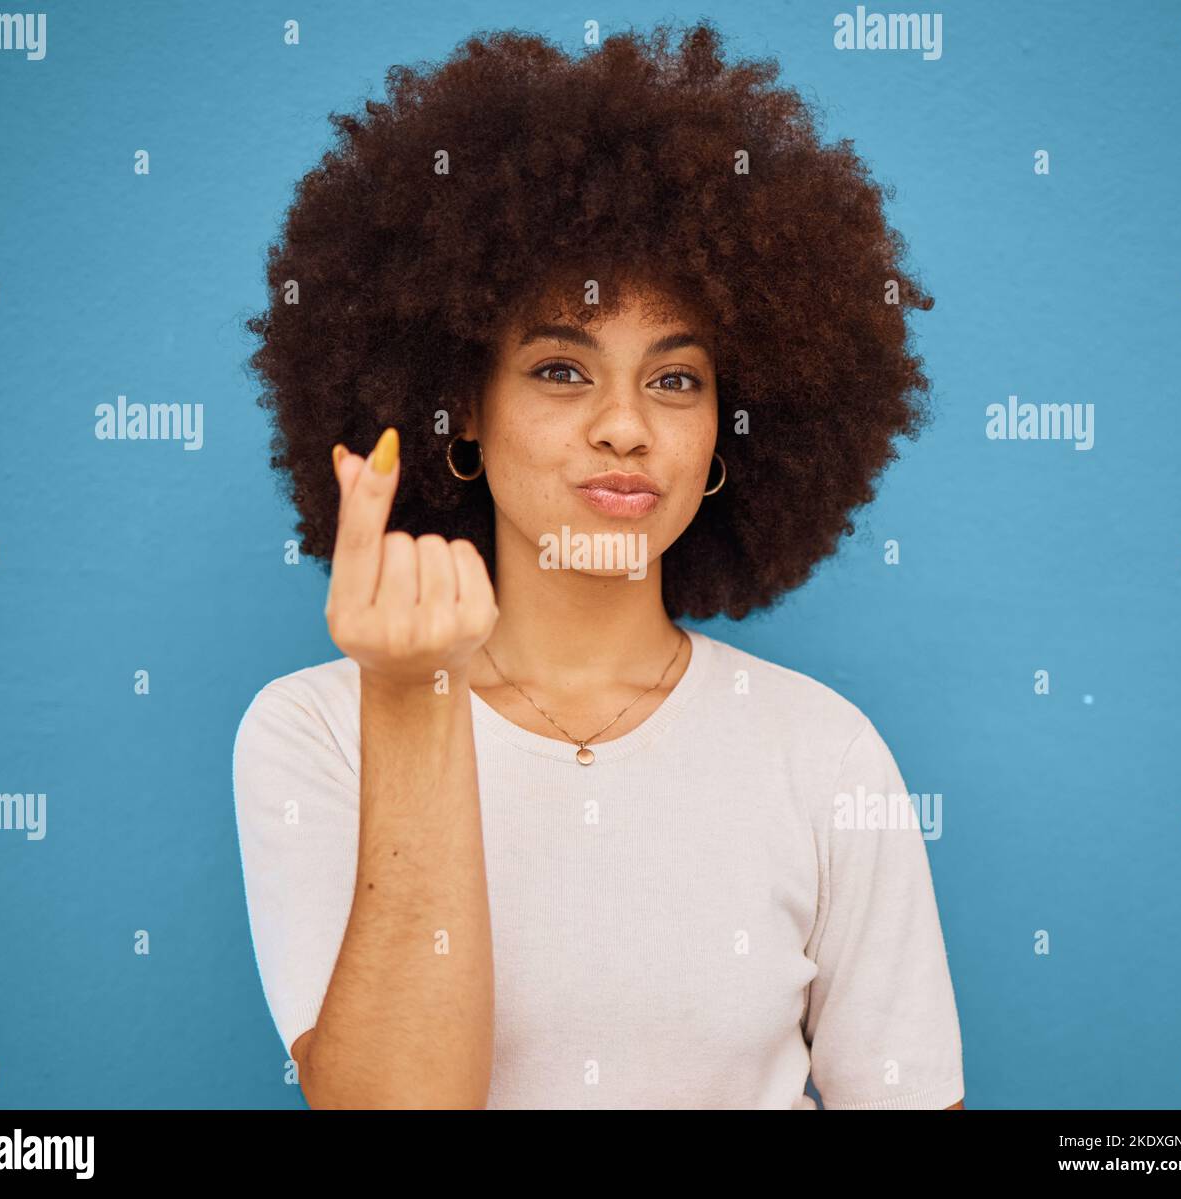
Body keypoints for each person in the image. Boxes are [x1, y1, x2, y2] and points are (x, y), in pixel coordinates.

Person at [233, 20, 964, 1110]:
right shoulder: (314, 732)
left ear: (727, 429)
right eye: (562, 368)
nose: (625, 427)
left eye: (674, 381)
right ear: (463, 411)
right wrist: (413, 690)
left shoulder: (824, 751)